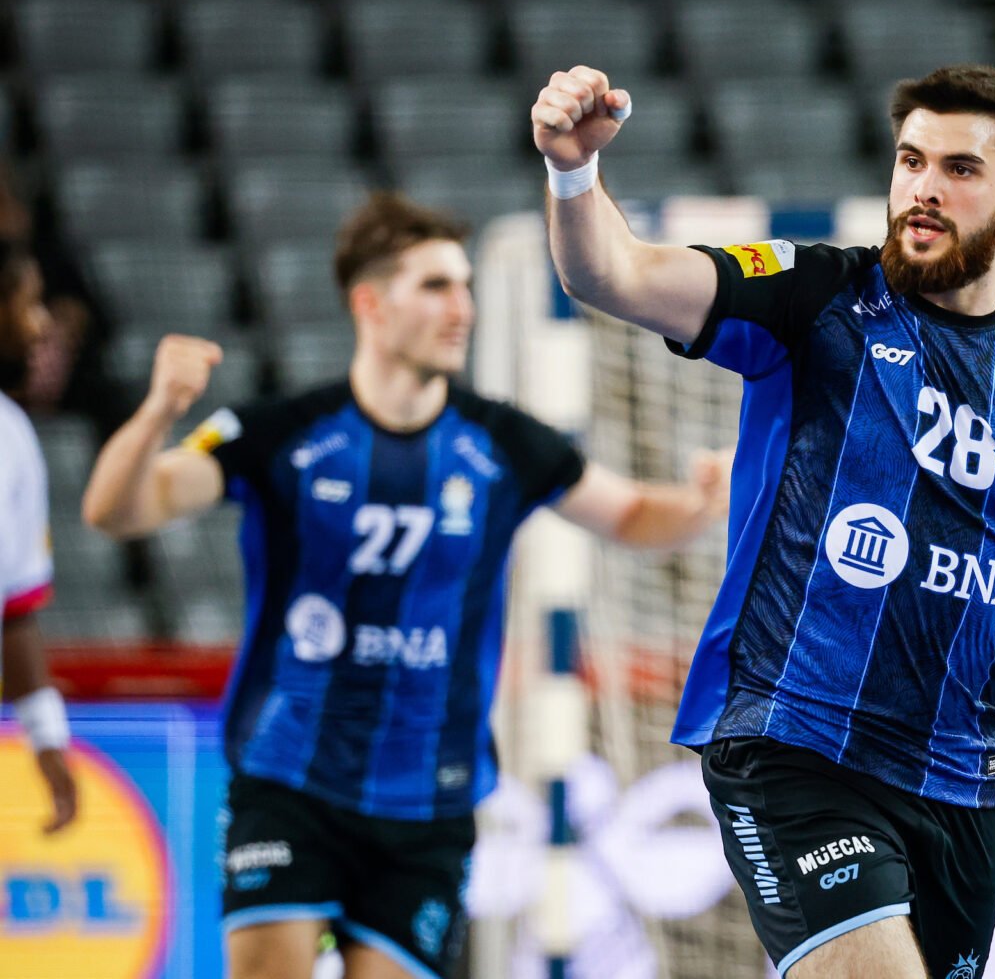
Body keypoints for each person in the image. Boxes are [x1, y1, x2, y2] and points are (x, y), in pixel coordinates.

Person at [532, 64, 995, 978]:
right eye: (910, 161)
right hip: (793, 740)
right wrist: (573, 173)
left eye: (959, 169)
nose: (924, 190)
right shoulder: (816, 296)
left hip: (959, 777)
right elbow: (611, 274)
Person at [82, 193, 730, 979]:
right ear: (371, 304)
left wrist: (705, 503)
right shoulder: (284, 434)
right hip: (291, 779)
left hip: (431, 804)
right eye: (435, 287)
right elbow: (117, 507)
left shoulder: (501, 442)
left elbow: (629, 513)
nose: (463, 307)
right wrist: (159, 411)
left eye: (464, 285)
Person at [0, 237, 79, 835]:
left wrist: (49, 744)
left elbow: (15, 613)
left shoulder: (14, 436)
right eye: (28, 303)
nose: (41, 324)